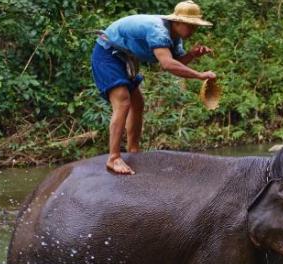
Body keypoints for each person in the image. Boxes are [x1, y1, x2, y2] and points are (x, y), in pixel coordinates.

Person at [91, 1, 216, 175]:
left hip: (126, 58)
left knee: (138, 102)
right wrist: (199, 75)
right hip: (108, 53)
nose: (193, 30)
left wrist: (192, 54)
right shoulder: (158, 30)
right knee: (123, 101)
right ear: (177, 22)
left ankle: (133, 150)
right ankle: (113, 158)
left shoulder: (175, 38)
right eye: (190, 25)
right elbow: (167, 64)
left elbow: (176, 63)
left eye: (195, 26)